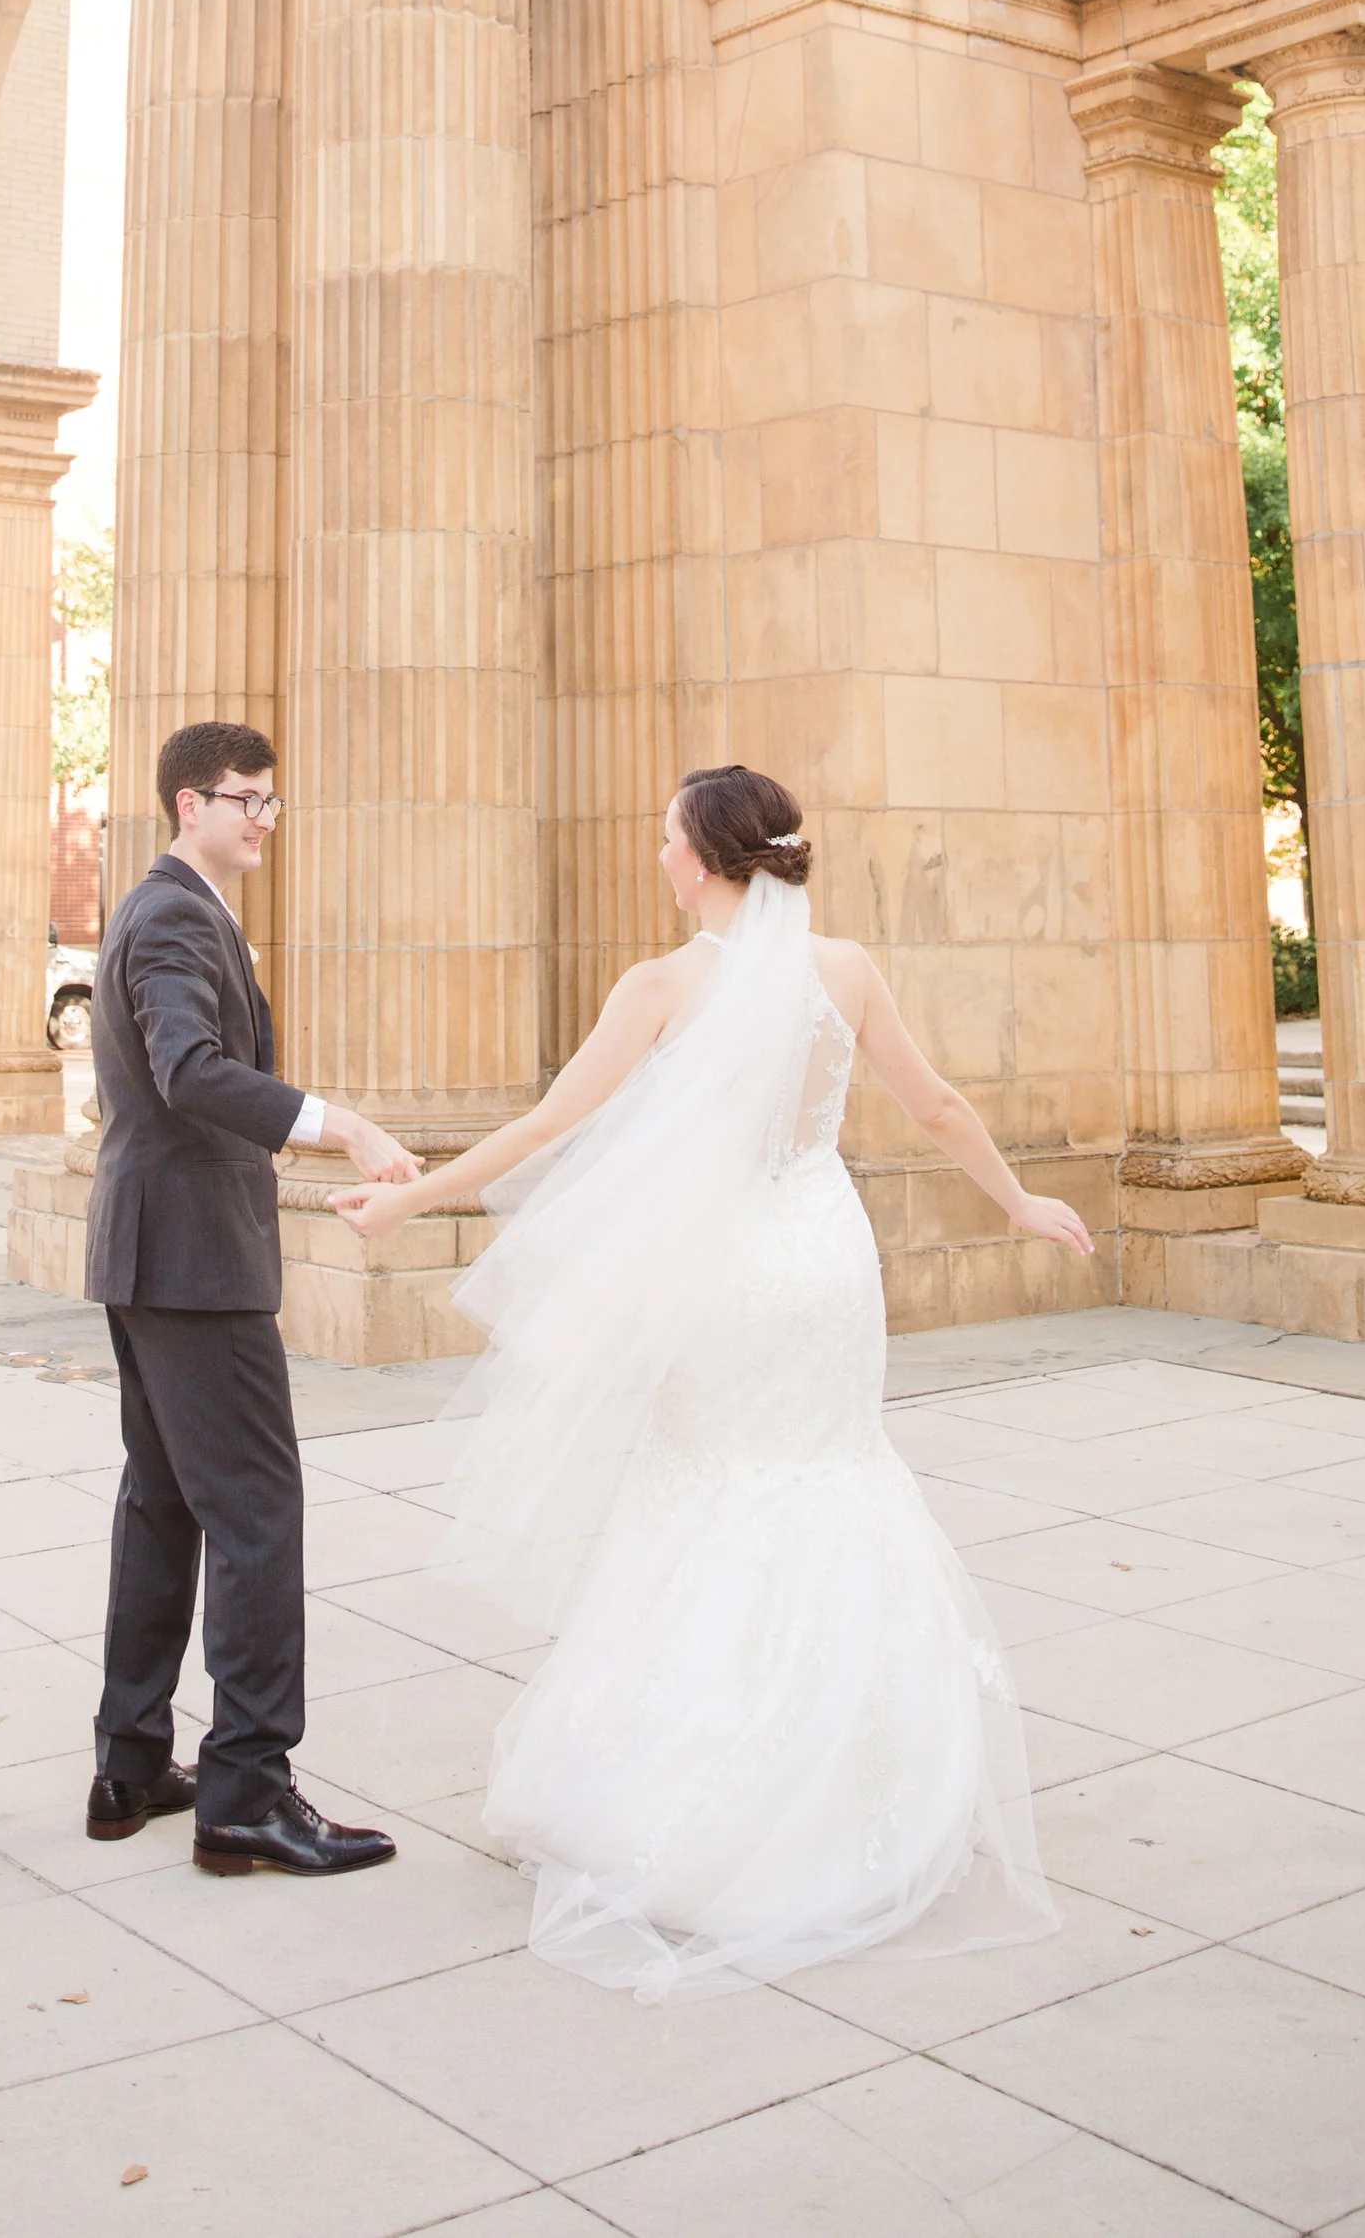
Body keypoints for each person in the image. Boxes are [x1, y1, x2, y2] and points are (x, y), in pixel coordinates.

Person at [334, 761, 1093, 1998]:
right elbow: (939, 1106)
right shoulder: (845, 971)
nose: (656, 856)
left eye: (664, 838)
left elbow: (547, 1126)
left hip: (726, 1273)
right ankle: (848, 1790)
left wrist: (409, 1201)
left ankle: (698, 1797)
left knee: (708, 1483)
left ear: (701, 859)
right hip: (823, 1261)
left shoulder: (660, 986)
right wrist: (1017, 1202)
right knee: (828, 1472)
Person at [83, 719, 415, 1877]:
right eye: (247, 800)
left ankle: (131, 1766)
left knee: (164, 1504)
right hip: (193, 1261)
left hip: (154, 1252)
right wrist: (341, 1125)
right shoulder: (175, 914)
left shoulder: (174, 909)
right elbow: (188, 1069)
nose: (265, 819)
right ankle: (247, 1792)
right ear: (190, 804)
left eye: (273, 801)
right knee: (257, 1512)